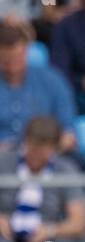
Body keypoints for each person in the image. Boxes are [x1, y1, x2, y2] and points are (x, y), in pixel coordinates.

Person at [0, 116, 85, 242]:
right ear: (25, 142)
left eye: (43, 152)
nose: (36, 157)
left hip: (48, 238)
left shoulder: (66, 170)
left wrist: (50, 230)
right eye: (32, 149)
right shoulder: (4, 162)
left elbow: (78, 224)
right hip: (5, 238)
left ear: (55, 149)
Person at [0, 21, 78, 155]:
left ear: (26, 51)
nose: (12, 67)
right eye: (6, 61)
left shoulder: (52, 80)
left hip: (48, 158)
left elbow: (69, 135)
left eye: (17, 58)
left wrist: (41, 151)